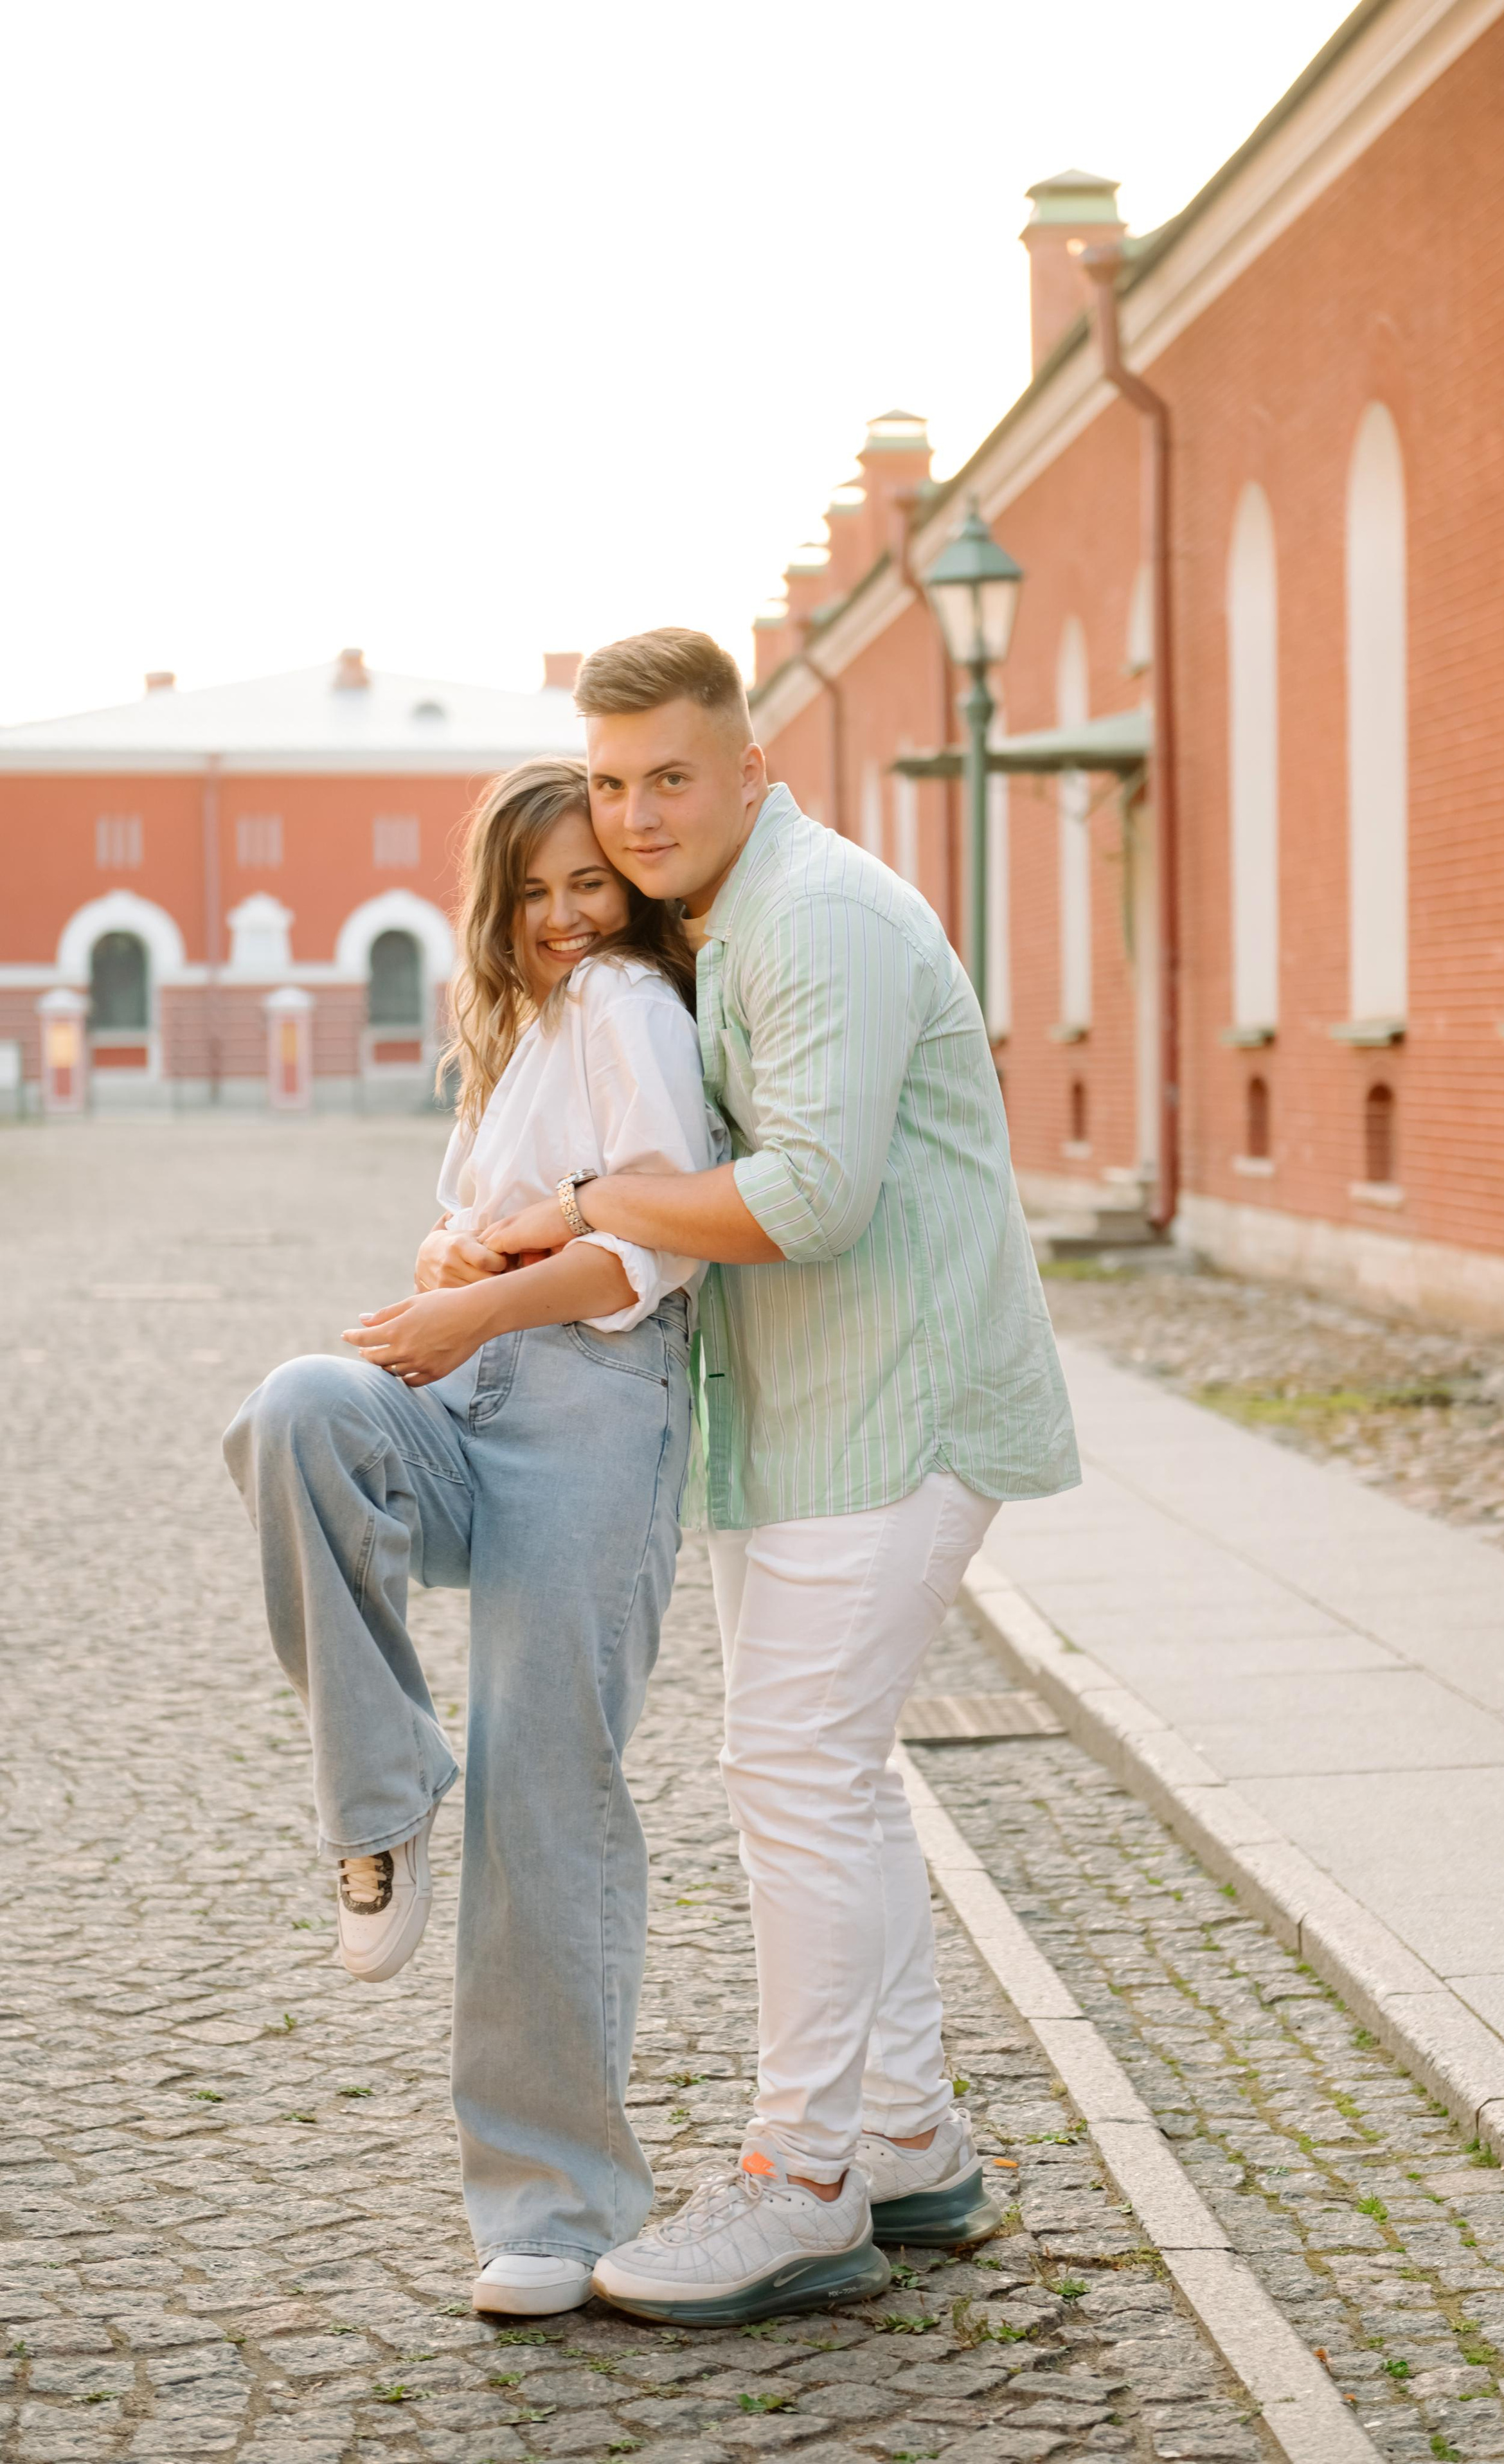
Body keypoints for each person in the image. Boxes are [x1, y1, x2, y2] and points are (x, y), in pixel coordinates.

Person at [478, 632, 1080, 2327]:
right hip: (816, 1416)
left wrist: (589, 1199)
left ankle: (801, 2182)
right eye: (611, 783)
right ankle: (906, 2138)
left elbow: (808, 1199)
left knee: (794, 1774)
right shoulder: (725, 921)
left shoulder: (814, 918)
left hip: (895, 1410)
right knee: (838, 1778)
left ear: (750, 768)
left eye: (670, 776)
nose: (635, 815)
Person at [223, 757, 716, 2318]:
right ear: (494, 908)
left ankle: (554, 2211)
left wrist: (477, 1301)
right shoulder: (511, 1032)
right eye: (533, 892)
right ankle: (380, 1803)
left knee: (543, 1790)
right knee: (298, 1411)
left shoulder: (630, 1003)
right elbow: (475, 1221)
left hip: (594, 1411)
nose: (565, 916)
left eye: (590, 884)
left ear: (629, 890)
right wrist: (453, 1259)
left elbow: (652, 1244)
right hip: (471, 1386)